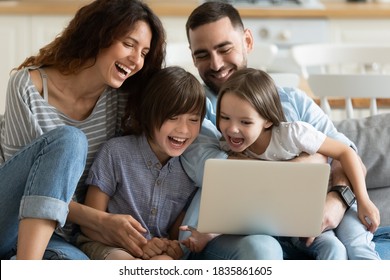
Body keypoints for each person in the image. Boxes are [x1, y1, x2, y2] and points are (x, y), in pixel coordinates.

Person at [179, 1, 390, 260]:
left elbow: (346, 153)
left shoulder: (292, 101)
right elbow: (227, 175)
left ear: (247, 41)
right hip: (228, 233)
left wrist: (337, 199)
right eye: (202, 55)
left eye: (225, 49)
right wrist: (315, 159)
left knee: (341, 247)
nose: (216, 64)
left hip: (301, 226)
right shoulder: (192, 114)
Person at [0, 0, 165, 260]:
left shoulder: (122, 101)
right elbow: (27, 189)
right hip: (7, 218)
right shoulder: (29, 86)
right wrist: (101, 220)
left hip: (61, 235)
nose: (136, 60)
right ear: (99, 35)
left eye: (144, 53)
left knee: (78, 267)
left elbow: (176, 111)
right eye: (129, 44)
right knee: (71, 140)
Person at [215, 68, 380, 259]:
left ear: (267, 120)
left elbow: (345, 152)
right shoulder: (226, 148)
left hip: (336, 201)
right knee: (333, 248)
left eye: (245, 122)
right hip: (297, 221)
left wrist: (363, 200)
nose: (232, 129)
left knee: (358, 248)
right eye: (225, 117)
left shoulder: (293, 134)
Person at [76, 66, 209, 260]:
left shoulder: (189, 170)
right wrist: (141, 246)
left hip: (155, 249)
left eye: (193, 119)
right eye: (173, 117)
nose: (183, 129)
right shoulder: (116, 152)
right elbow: (90, 225)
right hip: (105, 243)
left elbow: (174, 234)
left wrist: (174, 247)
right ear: (149, 113)